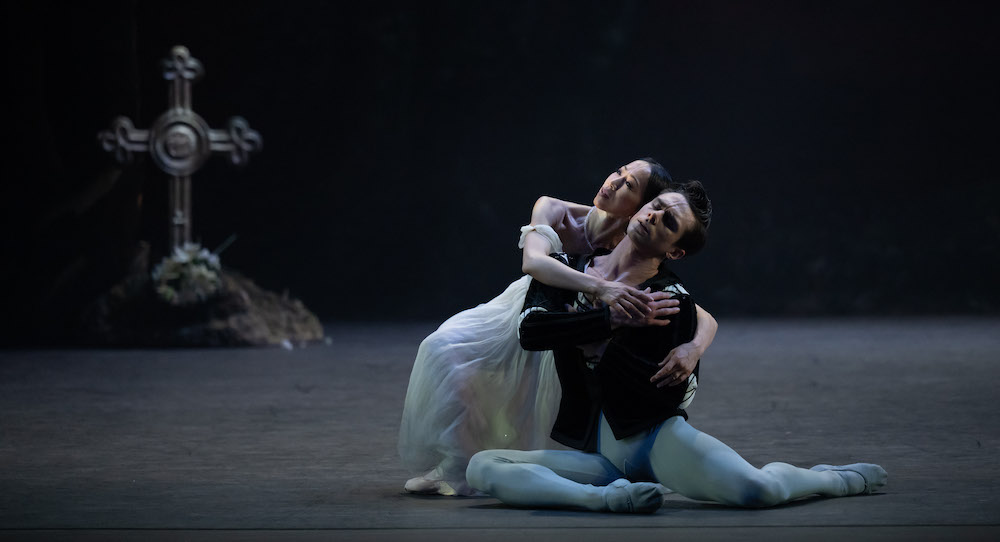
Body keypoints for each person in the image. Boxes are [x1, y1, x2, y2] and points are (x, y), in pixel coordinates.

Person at [466, 184, 888, 512]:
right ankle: (603, 501)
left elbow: (660, 393)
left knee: (759, 490)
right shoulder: (569, 272)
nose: (653, 216)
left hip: (656, 443)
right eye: (655, 207)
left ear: (675, 250)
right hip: (604, 460)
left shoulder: (668, 298)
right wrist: (605, 323)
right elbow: (533, 332)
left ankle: (835, 479)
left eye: (668, 222)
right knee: (483, 467)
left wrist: (596, 346)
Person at [399, 159, 719, 496]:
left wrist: (694, 347)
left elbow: (700, 313)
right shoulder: (553, 208)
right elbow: (534, 262)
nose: (613, 182)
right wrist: (599, 289)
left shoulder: (636, 243)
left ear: (640, 207)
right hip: (527, 307)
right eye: (619, 172)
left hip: (568, 324)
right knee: (447, 353)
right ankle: (455, 465)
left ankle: (481, 467)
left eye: (629, 185)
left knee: (523, 403)